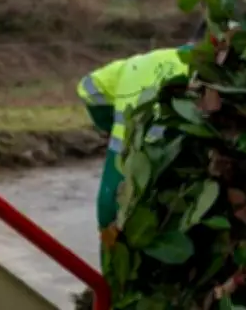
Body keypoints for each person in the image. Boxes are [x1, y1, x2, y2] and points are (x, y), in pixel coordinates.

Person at [78, 20, 207, 232]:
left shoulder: (140, 63)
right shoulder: (209, 77)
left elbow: (89, 87)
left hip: (114, 204)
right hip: (167, 211)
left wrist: (109, 124)